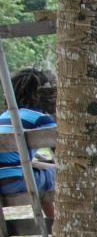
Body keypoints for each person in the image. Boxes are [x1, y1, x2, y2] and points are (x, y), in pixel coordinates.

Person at [0, 67, 56, 218]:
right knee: (61, 174)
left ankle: (53, 223)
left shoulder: (3, 117)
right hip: (20, 182)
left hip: (3, 183)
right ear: (37, 95)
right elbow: (61, 151)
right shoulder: (40, 118)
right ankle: (56, 223)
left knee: (44, 171)